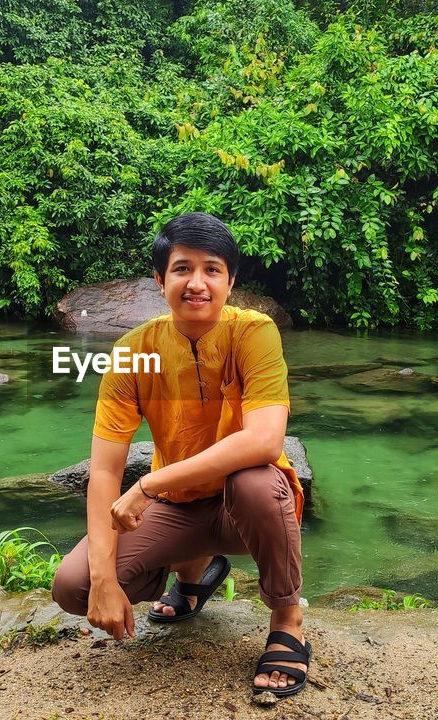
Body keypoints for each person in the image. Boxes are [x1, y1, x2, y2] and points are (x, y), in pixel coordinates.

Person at [51, 211, 310, 697]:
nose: (197, 283)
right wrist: (105, 578)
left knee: (252, 479)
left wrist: (147, 485)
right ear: (159, 279)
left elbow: (264, 441)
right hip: (177, 508)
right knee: (75, 586)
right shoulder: (132, 353)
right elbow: (105, 471)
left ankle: (287, 619)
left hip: (247, 504)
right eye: (182, 268)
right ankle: (196, 575)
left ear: (231, 281)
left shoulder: (253, 333)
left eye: (212, 269)